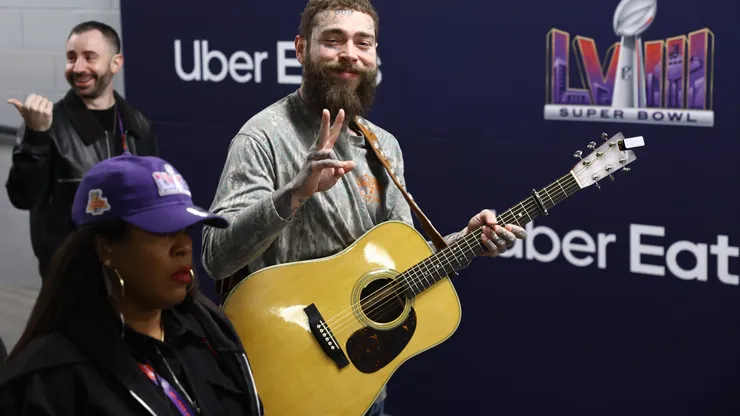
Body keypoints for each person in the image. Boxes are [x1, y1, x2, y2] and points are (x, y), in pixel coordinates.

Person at [201, 0, 528, 414]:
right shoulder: (263, 136)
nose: (349, 54)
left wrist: (465, 243)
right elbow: (217, 258)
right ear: (301, 49)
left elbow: (399, 267)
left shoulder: (383, 145)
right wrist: (294, 193)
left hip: (358, 385)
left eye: (363, 43)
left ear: (375, 55)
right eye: (333, 41)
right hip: (280, 371)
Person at [0, 153, 262, 416]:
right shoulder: (48, 380)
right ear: (107, 248)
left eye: (186, 230)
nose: (183, 247)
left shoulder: (210, 332)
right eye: (164, 231)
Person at [4, 20, 159, 279]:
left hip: (129, 268)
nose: (78, 68)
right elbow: (22, 197)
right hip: (70, 276)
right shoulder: (45, 124)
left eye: (89, 57)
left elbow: (151, 200)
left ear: (115, 63)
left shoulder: (139, 124)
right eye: (71, 57)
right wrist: (35, 137)